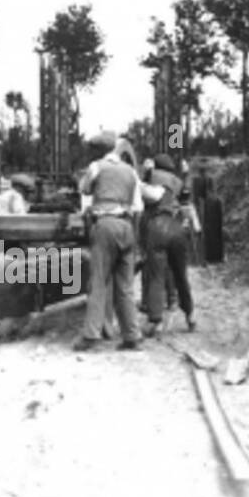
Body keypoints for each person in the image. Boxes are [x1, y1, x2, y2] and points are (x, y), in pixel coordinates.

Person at [74, 132, 142, 352]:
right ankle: (132, 336)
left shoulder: (97, 166)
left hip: (106, 225)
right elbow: (137, 206)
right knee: (125, 286)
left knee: (98, 282)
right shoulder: (130, 171)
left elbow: (84, 189)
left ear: (98, 150)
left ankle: (91, 335)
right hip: (127, 227)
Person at [142, 153, 195, 336]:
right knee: (181, 274)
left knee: (156, 275)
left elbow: (142, 194)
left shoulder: (152, 175)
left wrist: (146, 170)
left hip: (157, 227)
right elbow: (186, 199)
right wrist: (186, 174)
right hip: (176, 227)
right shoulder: (178, 181)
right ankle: (190, 315)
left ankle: (155, 321)